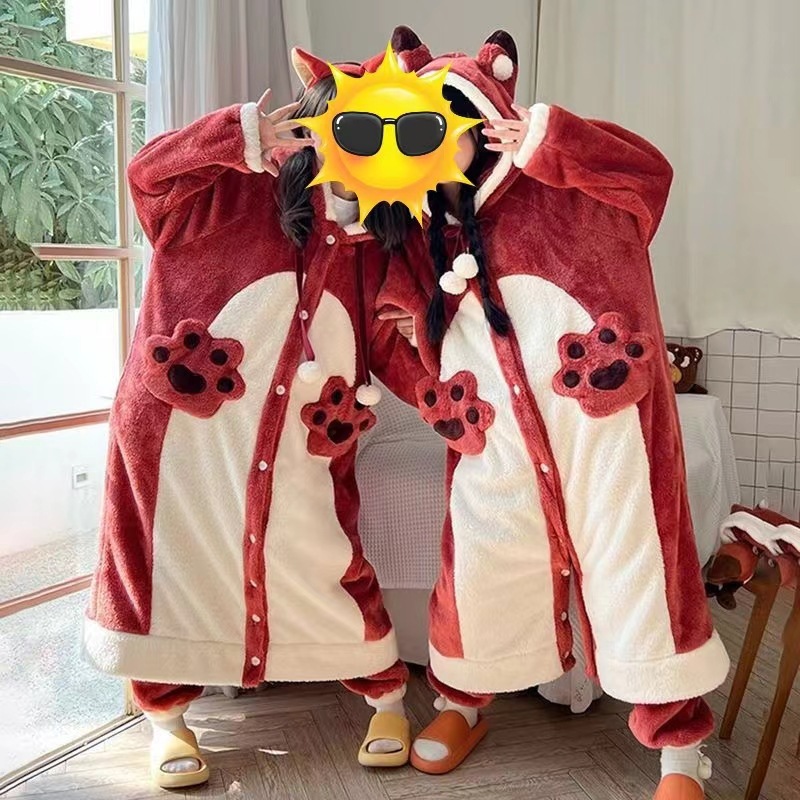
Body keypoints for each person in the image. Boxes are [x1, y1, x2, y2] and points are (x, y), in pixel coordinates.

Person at [378, 27, 730, 800]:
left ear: (479, 120)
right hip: (495, 438)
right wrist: (432, 383)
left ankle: (680, 753)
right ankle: (462, 703)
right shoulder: (423, 228)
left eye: (433, 129)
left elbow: (649, 175)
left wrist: (549, 139)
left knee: (640, 568)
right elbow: (390, 331)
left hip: (602, 428)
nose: (419, 149)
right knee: (478, 569)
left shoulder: (568, 187)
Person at [82, 43, 428, 788]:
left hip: (311, 435)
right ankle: (167, 720)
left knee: (326, 558)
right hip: (185, 432)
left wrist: (436, 380)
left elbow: (387, 344)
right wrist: (236, 135)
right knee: (173, 566)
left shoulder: (380, 238)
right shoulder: (226, 190)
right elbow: (146, 174)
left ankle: (386, 696)